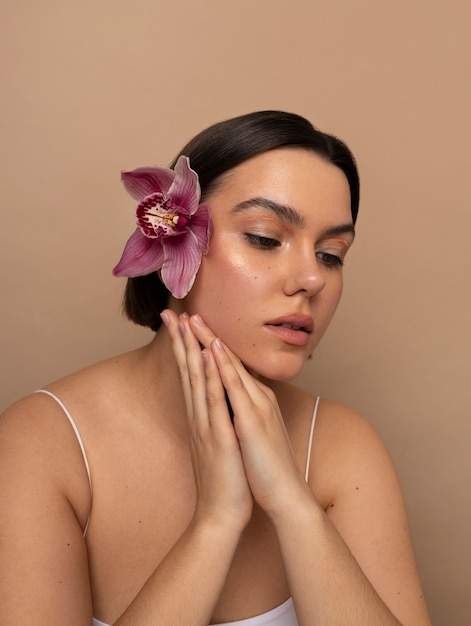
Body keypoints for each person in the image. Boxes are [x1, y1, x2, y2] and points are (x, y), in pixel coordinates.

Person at [0, 111, 432, 625]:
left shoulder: (342, 447)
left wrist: (294, 506)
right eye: (266, 238)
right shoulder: (44, 445)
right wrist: (216, 522)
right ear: (172, 244)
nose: (312, 278)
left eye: (332, 254)